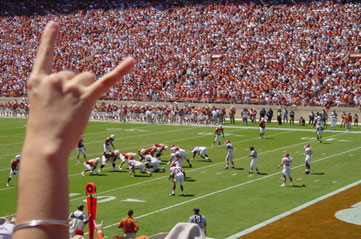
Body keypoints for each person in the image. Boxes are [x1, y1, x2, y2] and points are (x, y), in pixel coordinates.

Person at [13, 21, 135, 239]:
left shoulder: (107, 148)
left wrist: (44, 150)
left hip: (81, 156)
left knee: (89, 158)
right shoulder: (107, 149)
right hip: (89, 159)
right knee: (91, 160)